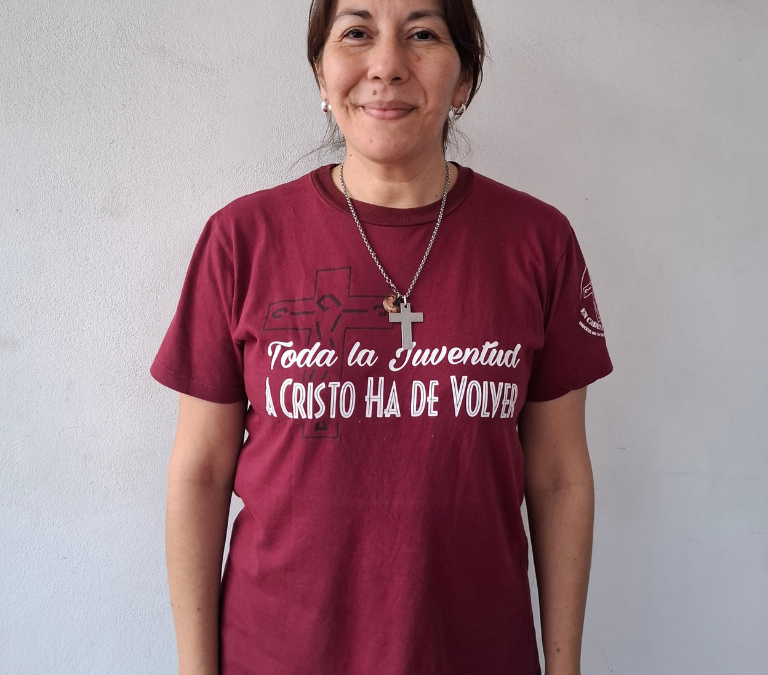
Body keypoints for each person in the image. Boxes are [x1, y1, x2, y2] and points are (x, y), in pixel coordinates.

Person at [150, 0, 614, 673]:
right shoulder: (242, 241)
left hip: (472, 652)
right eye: (357, 33)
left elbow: (558, 476)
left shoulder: (537, 242)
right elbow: (200, 472)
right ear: (321, 73)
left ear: (464, 79)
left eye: (422, 34)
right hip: (278, 652)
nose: (387, 65)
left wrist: (564, 667)